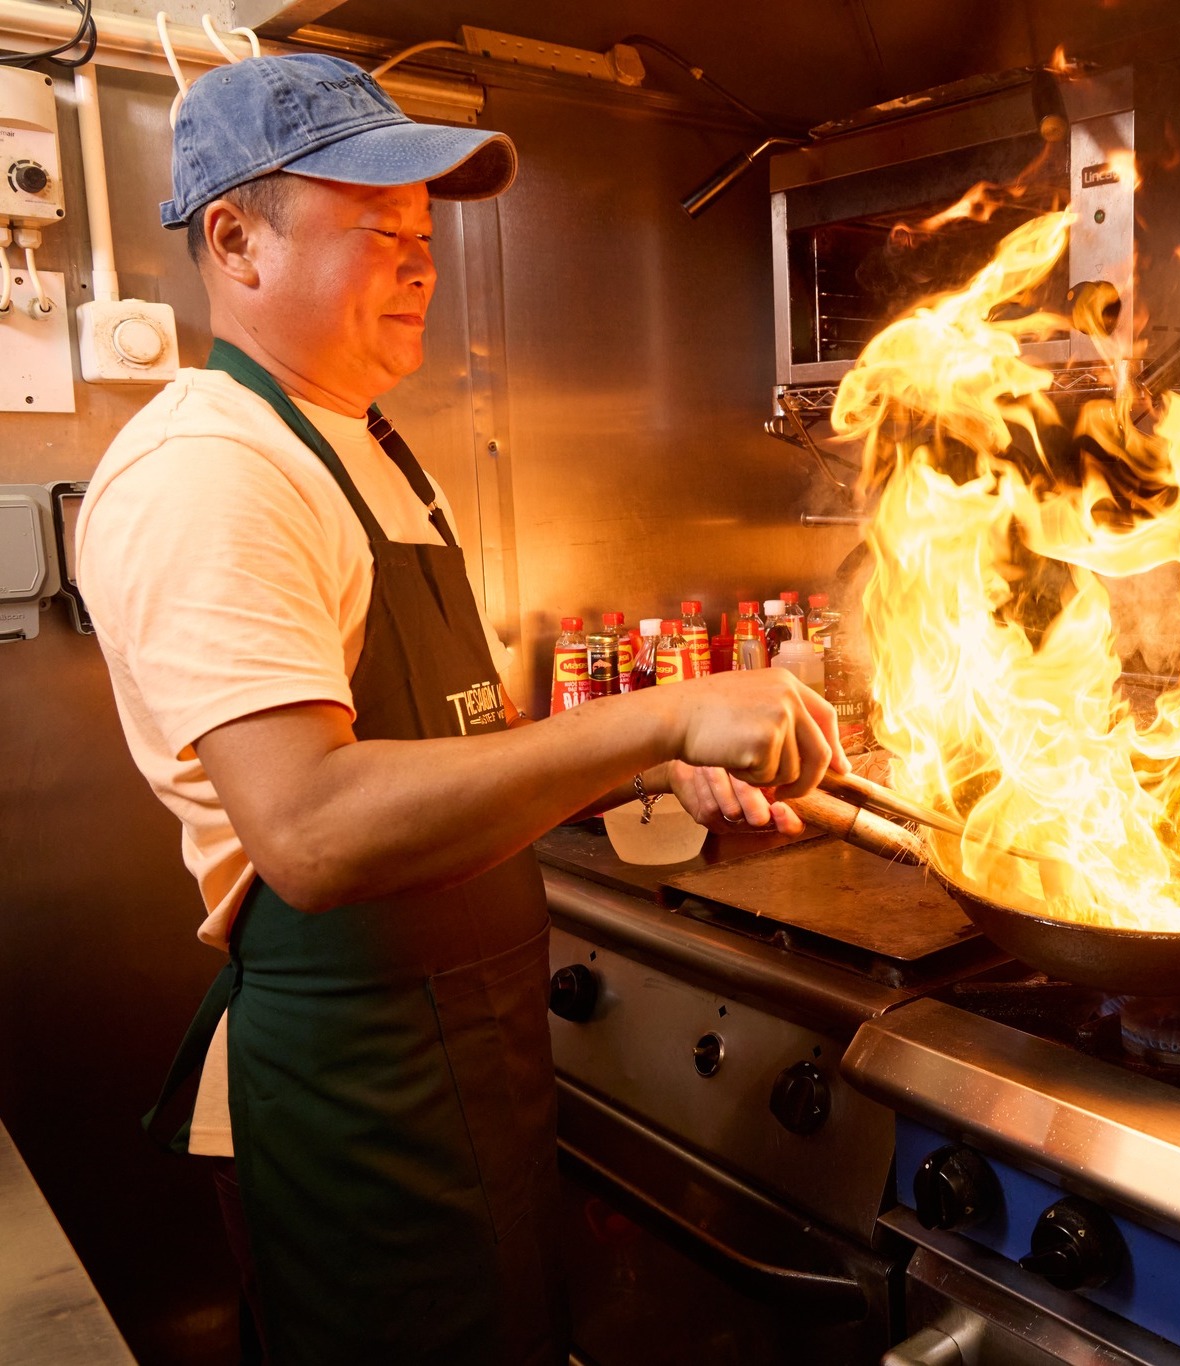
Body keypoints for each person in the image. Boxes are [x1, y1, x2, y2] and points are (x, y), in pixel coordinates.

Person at [74, 52, 845, 1366]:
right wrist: (659, 721)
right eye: (380, 233)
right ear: (235, 240)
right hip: (353, 1088)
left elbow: (450, 759)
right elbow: (312, 829)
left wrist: (644, 771)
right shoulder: (212, 469)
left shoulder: (358, 443)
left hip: (460, 1055)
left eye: (424, 235)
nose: (420, 264)